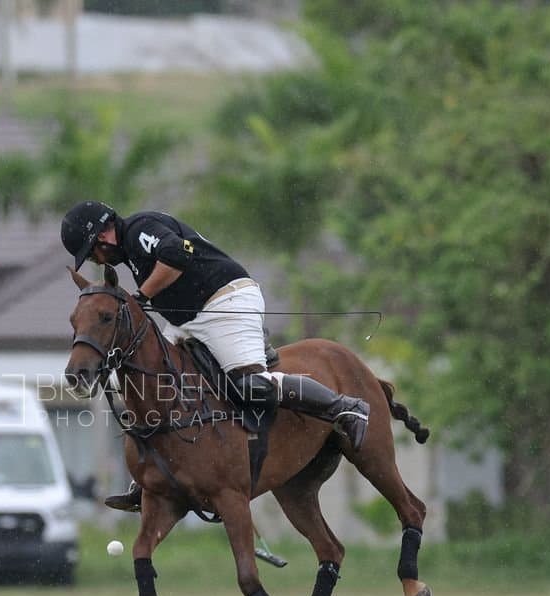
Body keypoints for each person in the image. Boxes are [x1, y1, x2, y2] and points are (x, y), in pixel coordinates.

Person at [61, 200, 370, 513]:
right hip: (191, 319)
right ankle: (149, 475)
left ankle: (344, 407)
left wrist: (140, 297)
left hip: (226, 301)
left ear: (104, 236)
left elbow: (177, 255)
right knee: (153, 376)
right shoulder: (131, 250)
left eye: (93, 252)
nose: (98, 260)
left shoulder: (140, 229)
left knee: (251, 383)